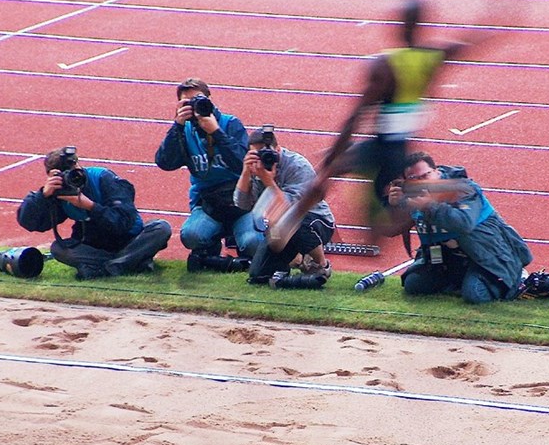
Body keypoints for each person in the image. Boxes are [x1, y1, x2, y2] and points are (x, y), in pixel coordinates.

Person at [267, 0, 494, 251]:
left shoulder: (385, 66)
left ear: (401, 26)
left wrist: (334, 150)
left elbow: (357, 114)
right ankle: (287, 226)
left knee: (378, 226)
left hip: (386, 147)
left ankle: (442, 191)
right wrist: (502, 10)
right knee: (335, 183)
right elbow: (472, 42)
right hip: (397, 146)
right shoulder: (433, 57)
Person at [387, 151, 532, 304]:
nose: (420, 182)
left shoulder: (463, 189)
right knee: (413, 285)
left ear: (437, 172)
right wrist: (395, 206)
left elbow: (463, 223)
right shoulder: (411, 195)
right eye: (413, 179)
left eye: (425, 176)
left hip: (488, 254)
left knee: (475, 295)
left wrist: (429, 206)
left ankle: (518, 278)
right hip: (446, 259)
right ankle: (465, 279)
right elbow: (390, 231)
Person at [17, 146, 172, 280]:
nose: (71, 178)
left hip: (129, 238)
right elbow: (29, 223)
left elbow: (124, 223)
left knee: (160, 228)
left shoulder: (103, 178)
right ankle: (131, 262)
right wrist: (42, 195)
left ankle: (109, 267)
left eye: (73, 172)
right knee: (58, 248)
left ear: (79, 165)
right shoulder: (59, 192)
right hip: (96, 246)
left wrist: (91, 206)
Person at [155, 78, 251, 269]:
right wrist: (178, 126)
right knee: (192, 236)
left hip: (242, 201)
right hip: (208, 203)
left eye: (198, 100)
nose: (195, 106)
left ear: (209, 99)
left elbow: (242, 164)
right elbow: (165, 163)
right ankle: (210, 246)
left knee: (253, 243)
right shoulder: (184, 130)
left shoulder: (230, 124)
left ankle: (241, 243)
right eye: (187, 102)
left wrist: (216, 132)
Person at [234, 126, 336, 289]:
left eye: (267, 153)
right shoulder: (255, 168)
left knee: (295, 221)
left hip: (314, 219)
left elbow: (290, 208)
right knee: (258, 275)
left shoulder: (298, 166)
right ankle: (293, 263)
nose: (264, 158)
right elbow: (241, 204)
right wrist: (246, 172)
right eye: (257, 154)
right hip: (278, 229)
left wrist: (267, 180)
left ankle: (320, 266)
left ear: (278, 150)